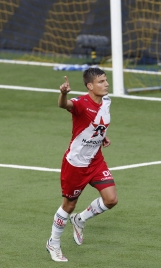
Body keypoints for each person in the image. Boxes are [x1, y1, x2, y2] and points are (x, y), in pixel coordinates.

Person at [46, 68, 118, 262]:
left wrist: (102, 136)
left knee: (111, 199)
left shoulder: (106, 102)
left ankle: (81, 219)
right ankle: (53, 242)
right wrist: (62, 94)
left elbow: (96, 123)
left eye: (106, 80)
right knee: (68, 205)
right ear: (90, 86)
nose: (106, 84)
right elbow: (64, 105)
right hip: (76, 164)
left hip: (96, 161)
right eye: (101, 81)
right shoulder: (80, 103)